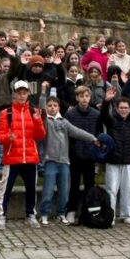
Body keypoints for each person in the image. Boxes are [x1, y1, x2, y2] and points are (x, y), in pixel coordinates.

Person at [38, 89, 96, 225]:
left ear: (59, 107)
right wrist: (43, 94)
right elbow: (41, 111)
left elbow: (77, 132)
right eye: (50, 105)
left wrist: (93, 139)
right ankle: (44, 214)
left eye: (55, 105)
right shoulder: (46, 121)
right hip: (50, 161)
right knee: (48, 190)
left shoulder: (64, 122)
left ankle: (61, 213)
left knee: (64, 191)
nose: (52, 108)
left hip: (64, 162)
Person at [0, 80, 46, 229]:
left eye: (24, 93)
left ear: (28, 94)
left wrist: (38, 121)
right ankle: (1, 215)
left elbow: (41, 136)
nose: (22, 95)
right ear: (14, 94)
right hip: (12, 157)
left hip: (30, 157)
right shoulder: (6, 113)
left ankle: (30, 214)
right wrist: (7, 138)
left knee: (31, 188)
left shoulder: (34, 111)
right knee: (5, 188)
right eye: (19, 93)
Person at [64, 84, 103, 224]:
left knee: (89, 185)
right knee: (73, 185)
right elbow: (68, 134)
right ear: (77, 97)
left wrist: (97, 155)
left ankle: (87, 212)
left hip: (90, 156)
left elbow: (98, 135)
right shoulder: (70, 113)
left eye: (87, 96)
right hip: (75, 155)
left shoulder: (96, 114)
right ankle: (71, 211)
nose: (84, 99)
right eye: (81, 96)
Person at [100, 91, 130, 224]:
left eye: (126, 108)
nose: (123, 110)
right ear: (116, 109)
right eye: (121, 108)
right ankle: (110, 215)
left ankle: (126, 214)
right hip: (113, 161)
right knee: (111, 189)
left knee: (127, 188)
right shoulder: (112, 122)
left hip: (128, 161)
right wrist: (106, 101)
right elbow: (104, 115)